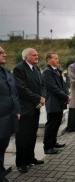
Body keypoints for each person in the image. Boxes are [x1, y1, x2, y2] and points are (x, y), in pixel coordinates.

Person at [13, 48, 46, 173]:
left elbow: (42, 85)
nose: (37, 56)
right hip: (25, 108)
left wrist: (43, 97)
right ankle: (21, 163)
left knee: (32, 135)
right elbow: (22, 88)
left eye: (37, 54)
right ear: (26, 57)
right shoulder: (19, 69)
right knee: (22, 136)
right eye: (34, 55)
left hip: (36, 107)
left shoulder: (36, 68)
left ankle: (30, 158)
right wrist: (39, 98)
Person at [42, 53, 70, 155]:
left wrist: (66, 94)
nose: (58, 60)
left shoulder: (56, 70)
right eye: (56, 58)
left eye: (58, 58)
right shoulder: (47, 72)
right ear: (49, 59)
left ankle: (53, 143)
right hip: (52, 102)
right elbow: (53, 88)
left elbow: (63, 84)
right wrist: (66, 96)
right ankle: (48, 147)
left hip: (59, 102)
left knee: (57, 123)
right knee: (51, 125)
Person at [0, 46, 20, 182]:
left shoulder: (6, 71)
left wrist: (17, 109)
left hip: (9, 117)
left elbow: (14, 93)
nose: (5, 54)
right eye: (1, 53)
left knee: (3, 145)